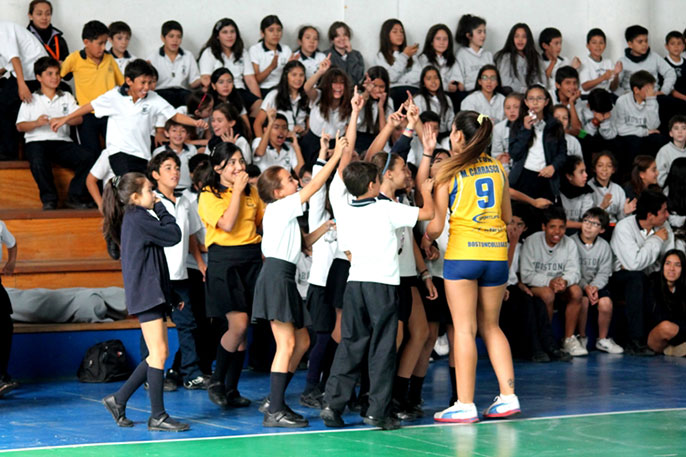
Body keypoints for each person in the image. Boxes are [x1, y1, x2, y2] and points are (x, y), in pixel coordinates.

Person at [321, 153, 435, 430]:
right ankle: (376, 412)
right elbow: (428, 214)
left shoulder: (344, 208)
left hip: (355, 281)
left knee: (350, 344)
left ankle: (332, 406)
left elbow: (346, 249)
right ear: (373, 184)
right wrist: (427, 192)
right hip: (381, 284)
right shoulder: (386, 209)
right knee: (383, 348)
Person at [423, 110, 518, 423]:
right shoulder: (498, 168)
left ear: (459, 136)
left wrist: (426, 238)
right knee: (492, 326)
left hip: (464, 254)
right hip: (496, 255)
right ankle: (508, 397)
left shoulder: (448, 170)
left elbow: (436, 227)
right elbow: (506, 217)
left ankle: (465, 403)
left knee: (464, 329)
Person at [253, 132, 346, 428]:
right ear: (279, 192)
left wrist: (324, 228)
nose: (296, 181)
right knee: (287, 343)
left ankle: (274, 399)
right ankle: (275, 409)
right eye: (290, 180)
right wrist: (335, 156)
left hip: (284, 277)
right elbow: (316, 184)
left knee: (302, 340)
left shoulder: (284, 214)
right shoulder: (281, 207)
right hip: (276, 278)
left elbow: (304, 243)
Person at [101, 172, 188, 432]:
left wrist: (171, 295)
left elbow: (153, 263)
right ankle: (157, 415)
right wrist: (162, 206)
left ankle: (118, 400)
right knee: (159, 353)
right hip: (146, 295)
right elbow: (173, 234)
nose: (155, 195)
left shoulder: (137, 218)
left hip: (151, 293)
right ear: (136, 197)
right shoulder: (138, 218)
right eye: (151, 191)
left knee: (156, 353)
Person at [50, 59, 206, 177]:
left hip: (143, 155)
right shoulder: (114, 96)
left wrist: (194, 122)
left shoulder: (153, 97)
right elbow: (90, 106)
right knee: (131, 191)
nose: (146, 87)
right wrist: (64, 119)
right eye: (142, 82)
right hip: (120, 153)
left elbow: (174, 115)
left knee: (140, 197)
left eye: (149, 83)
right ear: (129, 81)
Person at [197, 142, 265, 409]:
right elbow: (226, 224)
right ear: (218, 168)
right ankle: (216, 380)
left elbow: (261, 222)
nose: (239, 167)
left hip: (251, 259)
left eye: (240, 161)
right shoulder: (208, 194)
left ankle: (231, 389)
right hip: (225, 262)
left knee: (242, 331)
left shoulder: (253, 192)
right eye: (232, 163)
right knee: (238, 324)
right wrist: (236, 191)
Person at [146, 152, 207, 390]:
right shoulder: (150, 202)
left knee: (187, 324)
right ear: (155, 174)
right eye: (168, 168)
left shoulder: (185, 201)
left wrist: (200, 262)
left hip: (180, 275)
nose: (175, 172)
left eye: (176, 167)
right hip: (157, 276)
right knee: (153, 326)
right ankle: (152, 376)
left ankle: (190, 373)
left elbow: (191, 234)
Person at [16, 56, 93, 210]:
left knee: (90, 158)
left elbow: (78, 120)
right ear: (39, 77)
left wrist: (64, 119)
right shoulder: (31, 98)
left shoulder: (67, 96)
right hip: (36, 141)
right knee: (37, 160)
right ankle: (49, 199)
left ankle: (74, 196)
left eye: (57, 73)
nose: (55, 77)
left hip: (62, 142)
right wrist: (37, 123)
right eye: (49, 74)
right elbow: (20, 126)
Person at [610, 190, 675, 356]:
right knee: (636, 278)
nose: (668, 215)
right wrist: (656, 240)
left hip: (648, 274)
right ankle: (635, 341)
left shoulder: (663, 226)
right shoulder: (624, 228)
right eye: (663, 211)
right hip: (620, 279)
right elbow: (634, 264)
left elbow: (669, 257)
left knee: (665, 277)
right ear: (650, 215)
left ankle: (668, 337)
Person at [520, 206, 585, 356]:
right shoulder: (532, 241)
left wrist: (565, 281)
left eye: (561, 227)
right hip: (537, 286)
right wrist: (550, 281)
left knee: (576, 291)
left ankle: (568, 339)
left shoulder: (569, 244)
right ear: (544, 227)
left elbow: (574, 271)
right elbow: (526, 275)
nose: (557, 232)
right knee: (548, 294)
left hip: (559, 285)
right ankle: (546, 340)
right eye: (553, 227)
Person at [60, 20, 123, 158]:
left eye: (105, 43)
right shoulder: (74, 59)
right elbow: (58, 77)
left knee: (115, 153)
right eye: (99, 43)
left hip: (110, 113)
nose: (103, 47)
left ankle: (115, 181)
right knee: (91, 155)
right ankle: (91, 180)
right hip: (86, 115)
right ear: (86, 42)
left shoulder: (109, 59)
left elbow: (122, 84)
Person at [572, 207, 623, 353]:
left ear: (601, 230)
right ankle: (581, 338)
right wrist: (585, 287)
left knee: (606, 303)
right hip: (577, 284)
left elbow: (604, 272)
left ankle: (602, 339)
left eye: (595, 224)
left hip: (596, 286)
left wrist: (594, 287)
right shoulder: (571, 242)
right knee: (583, 301)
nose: (588, 226)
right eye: (586, 221)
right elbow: (572, 270)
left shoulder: (604, 246)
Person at [508, 84, 567, 202]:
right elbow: (514, 153)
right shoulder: (518, 124)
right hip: (523, 176)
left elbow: (562, 153)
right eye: (531, 99)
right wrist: (525, 130)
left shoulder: (555, 125)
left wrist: (553, 166)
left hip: (546, 176)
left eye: (539, 98)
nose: (535, 102)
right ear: (525, 102)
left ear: (546, 102)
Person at [0, 20, 48, 160]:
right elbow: (6, 65)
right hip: (26, 72)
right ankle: (18, 151)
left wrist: (21, 85)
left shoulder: (2, 29)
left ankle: (8, 153)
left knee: (3, 105)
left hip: (34, 74)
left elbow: (15, 59)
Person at [198, 18, 261, 116]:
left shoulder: (242, 52)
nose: (229, 36)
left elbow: (250, 79)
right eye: (225, 32)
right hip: (220, 92)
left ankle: (251, 129)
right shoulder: (209, 53)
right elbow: (206, 79)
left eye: (232, 32)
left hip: (239, 90)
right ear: (217, 36)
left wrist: (259, 100)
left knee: (260, 106)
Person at [253, 60, 309, 138]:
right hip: (279, 140)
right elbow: (258, 124)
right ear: (286, 76)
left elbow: (308, 126)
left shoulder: (307, 96)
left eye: (301, 75)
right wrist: (263, 145)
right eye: (294, 75)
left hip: (300, 139)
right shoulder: (274, 94)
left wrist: (303, 130)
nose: (298, 79)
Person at [647, 249, 686, 356]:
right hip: (655, 336)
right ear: (662, 266)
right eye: (668, 264)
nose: (672, 269)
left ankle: (673, 350)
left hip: (677, 334)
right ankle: (674, 348)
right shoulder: (653, 283)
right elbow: (658, 319)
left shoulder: (682, 288)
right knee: (666, 326)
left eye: (677, 265)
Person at [374, 19, 421, 107]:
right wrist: (404, 56)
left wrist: (399, 80)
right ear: (386, 35)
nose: (399, 34)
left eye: (401, 32)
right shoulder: (381, 56)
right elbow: (389, 77)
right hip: (394, 91)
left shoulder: (411, 53)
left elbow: (418, 75)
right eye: (395, 32)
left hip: (413, 90)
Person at [617, 25, 676, 96]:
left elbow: (670, 72)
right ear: (630, 44)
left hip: (654, 96)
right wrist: (626, 96)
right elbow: (615, 86)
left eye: (646, 41)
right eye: (640, 42)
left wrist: (664, 91)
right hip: (634, 99)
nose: (644, 44)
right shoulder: (622, 62)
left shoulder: (654, 57)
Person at [494, 23, 545, 94]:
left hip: (533, 97)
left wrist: (534, 92)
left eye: (524, 37)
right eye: (516, 36)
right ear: (512, 38)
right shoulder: (505, 57)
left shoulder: (536, 57)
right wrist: (525, 91)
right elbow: (505, 82)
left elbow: (542, 80)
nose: (520, 40)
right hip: (513, 96)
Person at [249, 15, 293, 96]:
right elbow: (256, 80)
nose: (276, 34)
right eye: (271, 30)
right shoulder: (255, 49)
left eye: (279, 30)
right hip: (263, 89)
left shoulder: (286, 49)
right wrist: (271, 67)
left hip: (282, 89)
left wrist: (290, 68)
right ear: (262, 33)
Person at [588, 151, 634, 224]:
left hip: (613, 227)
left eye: (609, 166)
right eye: (600, 165)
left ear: (613, 170)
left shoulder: (618, 189)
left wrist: (625, 212)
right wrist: (602, 207)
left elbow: (620, 218)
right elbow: (586, 218)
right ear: (594, 168)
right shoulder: (588, 188)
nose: (604, 169)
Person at [418, 24, 462, 100]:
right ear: (431, 41)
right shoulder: (423, 59)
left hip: (449, 93)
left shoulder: (452, 60)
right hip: (431, 93)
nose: (442, 42)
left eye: (445, 39)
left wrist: (457, 84)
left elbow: (458, 77)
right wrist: (446, 87)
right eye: (438, 39)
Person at [152, 119, 197, 191]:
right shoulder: (159, 152)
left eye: (182, 131)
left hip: (188, 190)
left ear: (187, 134)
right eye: (174, 130)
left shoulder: (192, 149)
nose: (178, 134)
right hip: (165, 190)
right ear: (166, 133)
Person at [0, 220, 17, 397]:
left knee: (5, 326)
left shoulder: (0, 225)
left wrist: (11, 262)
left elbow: (12, 243)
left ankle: (2, 375)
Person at [455, 14, 493, 92]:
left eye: (484, 32)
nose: (483, 35)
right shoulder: (461, 54)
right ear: (469, 35)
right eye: (479, 32)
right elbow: (459, 81)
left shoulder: (488, 55)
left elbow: (494, 76)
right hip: (470, 92)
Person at [413, 65, 454, 136]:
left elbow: (451, 120)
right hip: (425, 135)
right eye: (429, 79)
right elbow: (416, 123)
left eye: (436, 78)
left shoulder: (446, 98)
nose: (433, 81)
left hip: (444, 135)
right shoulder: (418, 99)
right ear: (423, 83)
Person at [579, 28, 621, 95]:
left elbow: (613, 88)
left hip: (606, 97)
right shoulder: (583, 62)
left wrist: (617, 74)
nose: (598, 46)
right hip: (588, 97)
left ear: (605, 45)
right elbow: (585, 87)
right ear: (587, 46)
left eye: (601, 43)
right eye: (594, 43)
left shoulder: (609, 62)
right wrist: (603, 78)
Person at [539, 27, 581, 92]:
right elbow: (542, 82)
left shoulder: (565, 61)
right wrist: (553, 62)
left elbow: (570, 82)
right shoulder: (539, 62)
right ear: (545, 45)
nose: (559, 47)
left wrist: (573, 69)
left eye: (560, 43)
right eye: (556, 43)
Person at [559, 155, 594, 231]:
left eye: (585, 171)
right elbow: (557, 222)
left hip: (580, 232)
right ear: (569, 176)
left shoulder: (587, 190)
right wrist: (582, 225)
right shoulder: (557, 192)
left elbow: (587, 219)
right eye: (581, 172)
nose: (586, 175)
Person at [490, 92, 522, 169]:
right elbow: (496, 154)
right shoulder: (498, 128)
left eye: (516, 107)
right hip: (505, 166)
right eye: (508, 108)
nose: (512, 111)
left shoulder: (529, 126)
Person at [656, 115, 686, 187]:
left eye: (684, 128)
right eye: (676, 128)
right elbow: (659, 177)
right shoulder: (664, 151)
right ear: (671, 133)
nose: (680, 131)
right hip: (671, 191)